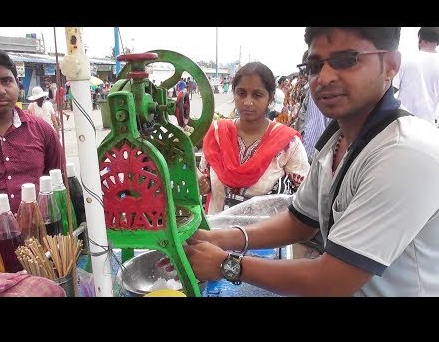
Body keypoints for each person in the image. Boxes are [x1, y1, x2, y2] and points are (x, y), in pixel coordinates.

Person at [180, 28, 439, 296]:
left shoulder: (404, 153)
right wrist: (216, 238)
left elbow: (331, 281)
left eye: (346, 60)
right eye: (315, 66)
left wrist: (226, 264)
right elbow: (300, 222)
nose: (324, 77)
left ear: (391, 66)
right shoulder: (337, 140)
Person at [0, 47, 63, 215]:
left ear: (16, 81)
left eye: (7, 81)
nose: (0, 90)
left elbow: (60, 183)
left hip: (42, 237)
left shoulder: (42, 130)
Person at [197, 62, 309, 215]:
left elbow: (306, 195)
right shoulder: (216, 134)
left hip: (265, 237)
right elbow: (205, 182)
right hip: (216, 234)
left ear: (270, 98)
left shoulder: (287, 144)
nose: (247, 102)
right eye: (241, 93)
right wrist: (202, 184)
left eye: (257, 95)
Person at [393, 27, 439, 125]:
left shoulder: (405, 59)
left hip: (402, 120)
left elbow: (393, 89)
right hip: (428, 123)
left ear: (420, 38)